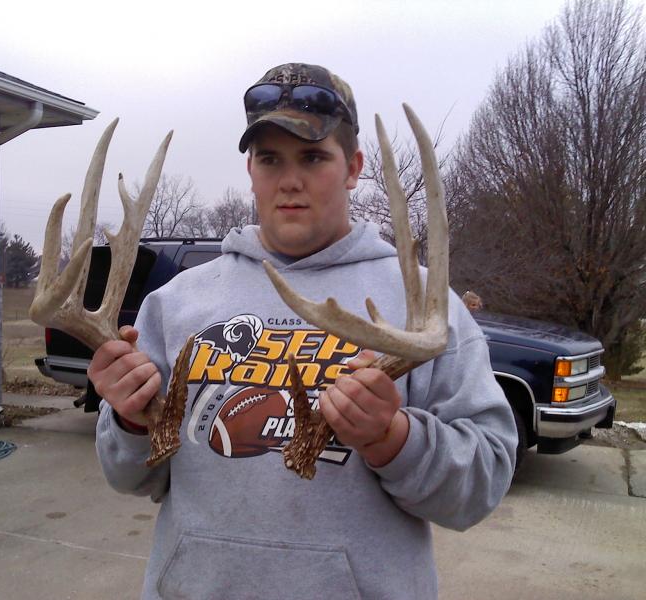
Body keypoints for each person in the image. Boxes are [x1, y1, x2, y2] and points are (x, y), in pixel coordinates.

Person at [91, 63, 517, 599]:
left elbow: (481, 485)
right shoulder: (176, 303)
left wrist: (393, 439)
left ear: (354, 166)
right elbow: (131, 477)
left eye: (313, 157)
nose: (289, 180)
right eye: (270, 159)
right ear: (250, 169)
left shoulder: (426, 309)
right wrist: (130, 422)